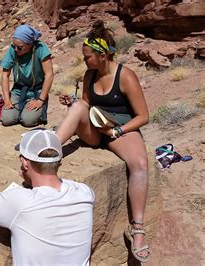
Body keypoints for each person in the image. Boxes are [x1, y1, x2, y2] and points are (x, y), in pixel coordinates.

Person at [55, 20, 151, 262]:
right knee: (77, 106)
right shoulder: (89, 75)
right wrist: (73, 102)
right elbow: (86, 103)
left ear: (101, 55)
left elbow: (143, 116)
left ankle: (137, 228)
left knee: (139, 163)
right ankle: (49, 149)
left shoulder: (125, 76)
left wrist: (119, 132)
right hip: (97, 129)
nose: (84, 61)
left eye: (87, 56)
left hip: (120, 130)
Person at [0, 129, 95, 265]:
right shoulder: (85, 193)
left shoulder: (21, 201)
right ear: (59, 162)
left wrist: (22, 188)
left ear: (24, 163)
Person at [0, 24, 54, 127]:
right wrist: (7, 99)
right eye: (14, 46)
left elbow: (49, 75)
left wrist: (40, 100)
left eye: (19, 47)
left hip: (36, 91)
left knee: (28, 121)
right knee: (7, 119)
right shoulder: (13, 50)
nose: (15, 49)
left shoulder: (40, 49)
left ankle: (37, 107)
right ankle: (20, 109)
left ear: (30, 44)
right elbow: (5, 75)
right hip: (18, 90)